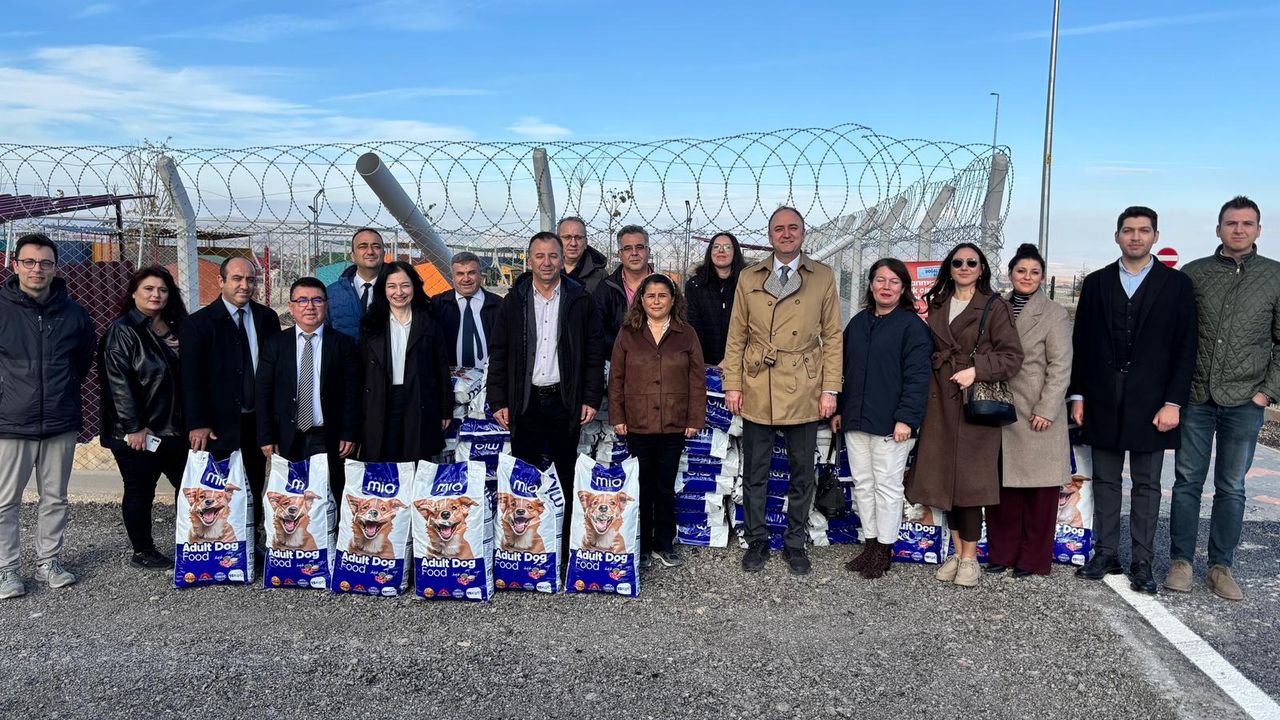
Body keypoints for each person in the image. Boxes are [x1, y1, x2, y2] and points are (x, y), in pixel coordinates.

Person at [1070, 206, 1197, 594]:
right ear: (1117, 236)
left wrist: (1173, 403)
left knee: (1147, 484)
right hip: (1102, 397)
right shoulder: (1096, 283)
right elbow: (1082, 344)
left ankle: (1142, 561)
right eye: (1128, 230)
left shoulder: (1177, 285)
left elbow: (1185, 347)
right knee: (1105, 480)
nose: (1136, 236)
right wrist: (1078, 395)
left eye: (1143, 230)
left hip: (1153, 402)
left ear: (1155, 236)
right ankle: (1106, 553)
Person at [1167, 196, 1279, 600]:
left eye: (1247, 223)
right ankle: (1181, 562)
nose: (1239, 229)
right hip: (1197, 396)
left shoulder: (1275, 276)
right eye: (1231, 223)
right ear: (1218, 229)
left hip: (1246, 400)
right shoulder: (1194, 274)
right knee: (1187, 482)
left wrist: (1266, 393)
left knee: (1232, 486)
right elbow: (1176, 334)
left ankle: (1220, 566)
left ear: (1258, 230)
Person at [722, 206, 843, 576]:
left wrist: (830, 389)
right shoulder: (749, 276)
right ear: (770, 235)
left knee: (802, 472)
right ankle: (757, 539)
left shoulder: (822, 276)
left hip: (803, 383)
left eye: (793, 228)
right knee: (755, 471)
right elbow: (737, 335)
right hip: (759, 381)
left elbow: (833, 336)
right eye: (779, 228)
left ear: (803, 233)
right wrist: (732, 384)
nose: (786, 234)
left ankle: (794, 542)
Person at [906, 242, 1024, 588]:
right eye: (958, 262)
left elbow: (1012, 357)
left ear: (982, 268)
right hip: (939, 402)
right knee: (947, 482)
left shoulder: (995, 306)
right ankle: (957, 554)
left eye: (972, 262)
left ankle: (970, 559)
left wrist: (977, 370)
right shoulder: (938, 303)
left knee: (970, 484)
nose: (964, 267)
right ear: (949, 267)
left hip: (974, 405)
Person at [488, 231, 605, 553]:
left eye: (553, 255)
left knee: (564, 471)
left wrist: (590, 397)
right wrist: (498, 399)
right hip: (525, 400)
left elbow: (594, 352)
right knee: (525, 472)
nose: (547, 262)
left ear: (562, 259)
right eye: (539, 256)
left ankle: (563, 542)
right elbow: (499, 351)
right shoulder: (515, 300)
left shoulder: (579, 299)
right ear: (529, 260)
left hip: (563, 401)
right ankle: (527, 543)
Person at [0, 233, 95, 598]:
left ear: (56, 268)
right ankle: (7, 569)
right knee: (5, 500)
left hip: (59, 419)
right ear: (15, 265)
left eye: (45, 263)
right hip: (11, 421)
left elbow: (82, 362)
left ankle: (48, 562)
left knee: (55, 497)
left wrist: (62, 390)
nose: (36, 269)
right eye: (29, 262)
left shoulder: (74, 314)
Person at [830, 258, 932, 579]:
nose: (886, 287)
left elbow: (918, 378)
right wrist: (840, 409)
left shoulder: (912, 327)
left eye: (893, 282)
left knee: (887, 486)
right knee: (863, 484)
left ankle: (885, 548)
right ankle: (870, 543)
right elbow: (844, 370)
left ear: (903, 289)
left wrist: (907, 419)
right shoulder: (858, 323)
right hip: (856, 419)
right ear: (871, 285)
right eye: (880, 280)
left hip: (892, 423)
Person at [985, 244, 1073, 578]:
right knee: (1003, 489)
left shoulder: (1054, 313)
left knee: (1039, 491)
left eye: (1034, 272)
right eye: (1021, 271)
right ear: (1010, 274)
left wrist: (1047, 408)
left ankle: (1032, 559)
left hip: (1037, 408)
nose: (1027, 277)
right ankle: (1002, 553)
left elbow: (1061, 365)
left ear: (1042, 277)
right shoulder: (997, 307)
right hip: (1001, 407)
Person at [182, 256, 281, 550]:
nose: (244, 285)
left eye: (250, 280)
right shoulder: (198, 324)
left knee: (254, 481)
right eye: (237, 279)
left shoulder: (267, 318)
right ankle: (217, 544)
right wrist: (198, 422)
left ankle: (251, 542)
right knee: (218, 487)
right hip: (217, 423)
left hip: (255, 419)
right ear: (221, 281)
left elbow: (274, 371)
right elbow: (191, 378)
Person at [609, 274, 707, 570]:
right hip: (637, 422)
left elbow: (697, 379)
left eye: (662, 295)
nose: (656, 301)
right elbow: (616, 378)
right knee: (641, 487)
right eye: (650, 295)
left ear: (673, 300)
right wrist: (617, 415)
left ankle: (663, 544)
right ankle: (640, 545)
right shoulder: (628, 333)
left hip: (673, 423)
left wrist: (694, 418)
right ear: (641, 300)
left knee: (664, 487)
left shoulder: (686, 333)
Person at [98, 266, 189, 570]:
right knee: (140, 490)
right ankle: (143, 550)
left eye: (162, 289)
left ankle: (193, 542)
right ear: (134, 292)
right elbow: (117, 384)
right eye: (148, 289)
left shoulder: (178, 326)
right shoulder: (123, 331)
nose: (156, 295)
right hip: (140, 433)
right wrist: (134, 426)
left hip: (176, 428)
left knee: (189, 486)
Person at [256, 277, 360, 498]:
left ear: (326, 305)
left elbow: (352, 393)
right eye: (302, 300)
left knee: (330, 494)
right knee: (291, 498)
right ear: (291, 306)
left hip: (328, 436)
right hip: (288, 435)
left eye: (317, 300)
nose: (310, 306)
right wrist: (266, 435)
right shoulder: (275, 344)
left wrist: (349, 432)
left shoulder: (343, 344)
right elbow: (263, 392)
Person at [358, 262, 453, 463]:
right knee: (385, 462)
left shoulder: (429, 321)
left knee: (417, 461)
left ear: (415, 287)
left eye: (405, 285)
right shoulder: (371, 324)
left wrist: (445, 409)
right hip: (382, 400)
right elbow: (362, 371)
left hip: (419, 399)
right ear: (383, 289)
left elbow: (441, 368)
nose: (399, 292)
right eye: (392, 286)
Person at [685, 232, 747, 365]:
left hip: (740, 360)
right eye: (716, 246)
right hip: (702, 362)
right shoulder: (695, 285)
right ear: (710, 252)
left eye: (727, 247)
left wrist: (730, 359)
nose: (721, 251)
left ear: (735, 252)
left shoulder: (746, 284)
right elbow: (693, 326)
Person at [433, 251, 501, 367]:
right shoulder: (437, 305)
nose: (466, 279)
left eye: (471, 273)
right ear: (453, 277)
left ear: (480, 274)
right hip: (448, 375)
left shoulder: (499, 305)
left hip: (490, 375)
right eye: (460, 274)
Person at [594, 224, 654, 353]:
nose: (634, 253)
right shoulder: (606, 288)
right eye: (627, 248)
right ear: (620, 254)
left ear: (648, 251)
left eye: (640, 247)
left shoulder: (665, 287)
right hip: (616, 358)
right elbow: (598, 330)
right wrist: (626, 349)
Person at [327, 227, 386, 340]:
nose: (370, 252)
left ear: (383, 254)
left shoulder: (398, 292)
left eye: (376, 246)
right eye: (363, 246)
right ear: (352, 256)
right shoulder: (331, 293)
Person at [559, 216, 608, 294]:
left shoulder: (600, 276)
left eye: (578, 238)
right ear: (557, 241)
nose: (573, 243)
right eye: (567, 237)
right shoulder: (547, 271)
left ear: (585, 243)